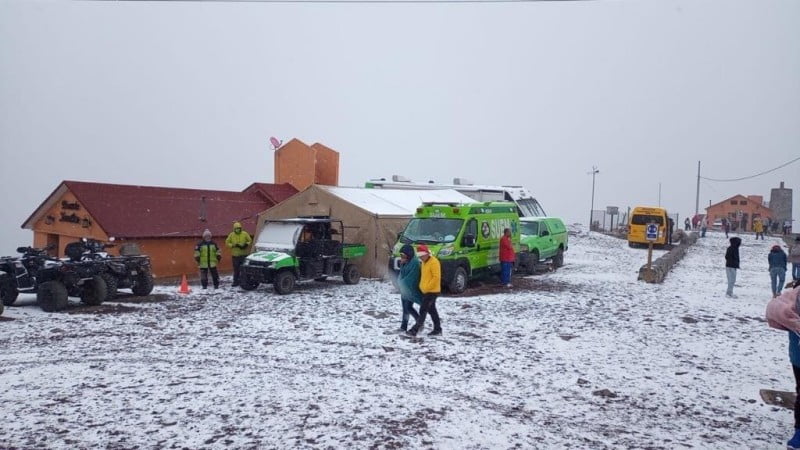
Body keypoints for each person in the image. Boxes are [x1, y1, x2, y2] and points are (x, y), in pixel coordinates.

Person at [406, 244, 442, 337]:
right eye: (420, 256)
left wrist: (427, 287)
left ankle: (415, 330)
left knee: (423, 310)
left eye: (422, 256)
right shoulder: (424, 262)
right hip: (426, 291)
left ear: (426, 254)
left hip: (432, 291)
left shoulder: (434, 262)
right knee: (432, 310)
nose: (421, 258)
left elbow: (436, 277)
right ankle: (438, 329)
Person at [396, 244, 421, 332]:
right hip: (404, 290)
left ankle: (418, 322)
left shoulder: (414, 263)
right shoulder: (405, 262)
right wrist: (399, 282)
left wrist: (401, 283)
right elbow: (401, 274)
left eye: (403, 255)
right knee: (406, 308)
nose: (401, 257)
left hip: (411, 290)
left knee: (408, 307)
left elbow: (411, 278)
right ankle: (404, 326)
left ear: (409, 255)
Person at [225, 221, 252, 287]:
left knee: (244, 269)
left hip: (244, 254)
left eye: (239, 228)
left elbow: (250, 240)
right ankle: (235, 282)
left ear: (241, 228)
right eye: (236, 228)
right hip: (235, 255)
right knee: (236, 270)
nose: (238, 229)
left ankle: (243, 281)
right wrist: (233, 245)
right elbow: (227, 242)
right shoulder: (231, 235)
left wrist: (246, 245)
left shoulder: (245, 234)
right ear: (234, 229)